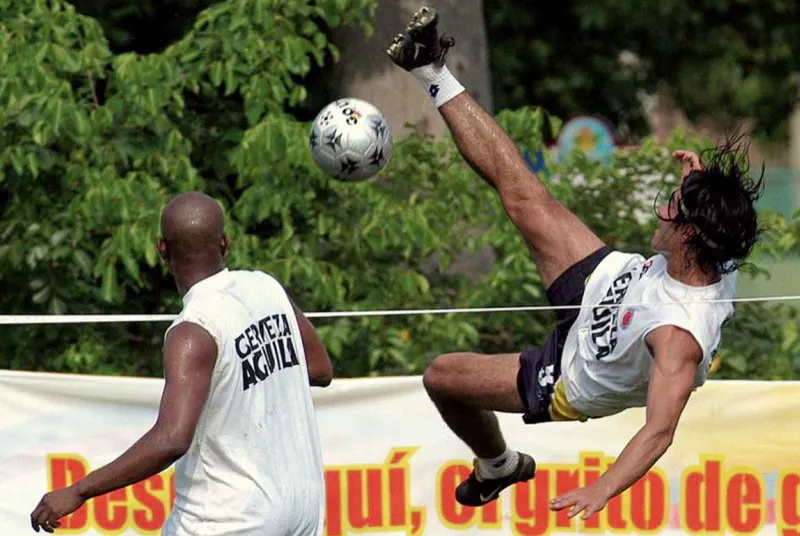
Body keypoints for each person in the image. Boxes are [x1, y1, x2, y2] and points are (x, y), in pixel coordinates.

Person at [387, 6, 763, 520]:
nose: (660, 210)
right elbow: (715, 214)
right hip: (605, 283)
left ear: (691, 236)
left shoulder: (681, 334)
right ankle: (430, 67)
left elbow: (659, 430)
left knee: (440, 376)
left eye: (673, 208)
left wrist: (603, 487)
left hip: (571, 373)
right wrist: (695, 179)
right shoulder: (712, 241)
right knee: (523, 193)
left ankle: (497, 464)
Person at [30, 191, 333, 535]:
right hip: (301, 508)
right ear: (224, 243)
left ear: (162, 250)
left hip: (228, 521)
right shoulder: (267, 288)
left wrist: (78, 490)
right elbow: (320, 369)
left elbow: (172, 439)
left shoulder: (193, 330)